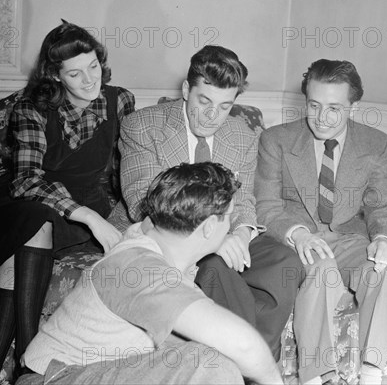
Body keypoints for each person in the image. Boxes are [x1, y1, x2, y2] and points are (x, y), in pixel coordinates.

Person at [0, 21, 135, 385]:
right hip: (19, 199)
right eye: (74, 73)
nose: (88, 80)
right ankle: (27, 360)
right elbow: (27, 180)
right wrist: (91, 220)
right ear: (55, 75)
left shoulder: (120, 100)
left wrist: (123, 216)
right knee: (36, 220)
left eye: (93, 66)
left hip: (79, 203)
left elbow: (125, 168)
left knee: (27, 240)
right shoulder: (31, 107)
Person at [18, 162, 284, 385]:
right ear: (208, 227)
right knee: (210, 364)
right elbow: (243, 344)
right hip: (54, 378)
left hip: (96, 371)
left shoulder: (159, 241)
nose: (232, 224)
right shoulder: (138, 266)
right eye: (229, 216)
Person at [115, 45, 300, 361]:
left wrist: (241, 233)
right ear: (187, 90)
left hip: (224, 232)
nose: (213, 116)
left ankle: (256, 359)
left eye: (225, 106)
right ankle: (243, 365)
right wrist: (214, 240)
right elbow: (145, 203)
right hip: (166, 236)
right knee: (214, 267)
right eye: (204, 102)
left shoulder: (242, 135)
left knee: (285, 262)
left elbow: (244, 200)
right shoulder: (142, 126)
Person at [255, 59, 387, 385]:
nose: (322, 118)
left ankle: (371, 374)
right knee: (322, 271)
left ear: (353, 106)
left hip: (349, 237)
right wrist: (298, 235)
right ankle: (318, 376)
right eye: (314, 105)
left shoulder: (375, 144)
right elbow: (266, 207)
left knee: (384, 273)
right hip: (301, 236)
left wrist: (384, 239)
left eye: (335, 108)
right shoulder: (276, 140)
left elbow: (384, 207)